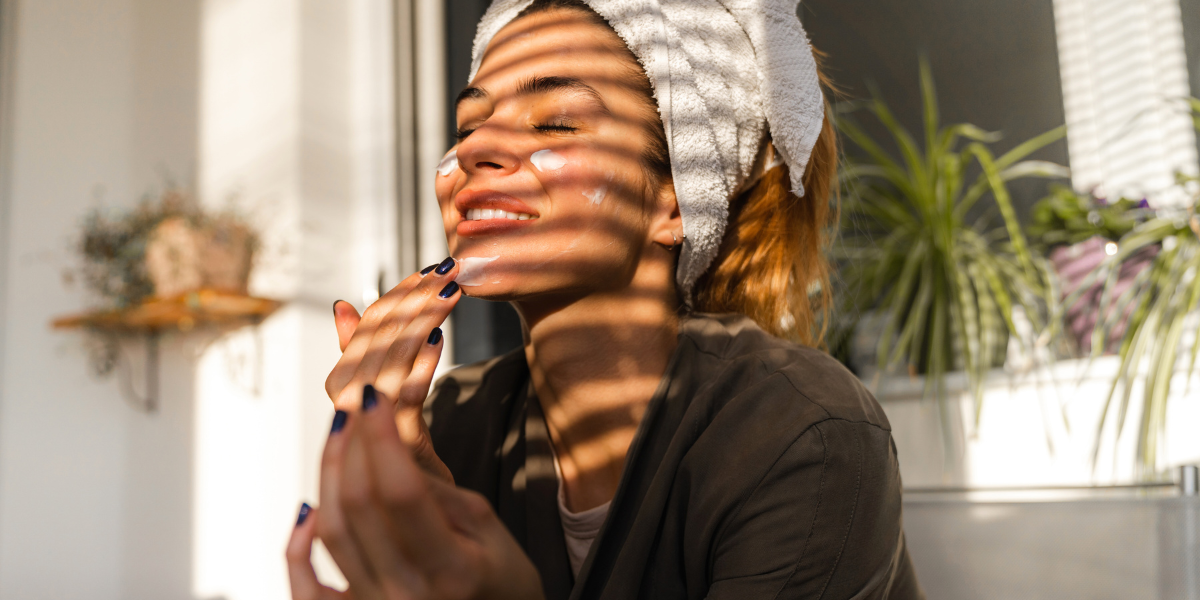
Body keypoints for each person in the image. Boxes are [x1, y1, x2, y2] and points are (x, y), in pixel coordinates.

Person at [286, 0, 924, 597]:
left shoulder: (802, 433)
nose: (473, 148)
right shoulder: (454, 420)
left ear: (675, 202)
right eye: (468, 125)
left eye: (557, 122)